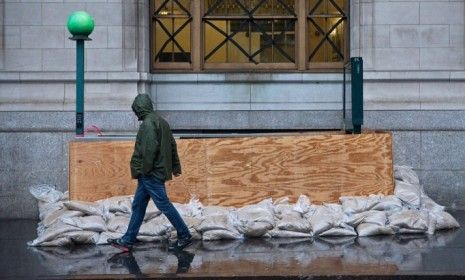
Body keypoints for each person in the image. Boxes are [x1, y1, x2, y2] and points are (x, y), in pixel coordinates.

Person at [108, 94, 192, 252]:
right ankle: (128, 239)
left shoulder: (148, 124)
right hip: (153, 172)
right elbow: (172, 146)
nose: (136, 114)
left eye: (136, 110)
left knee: (163, 205)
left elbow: (149, 150)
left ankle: (184, 234)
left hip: (150, 173)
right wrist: (175, 166)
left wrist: (144, 170)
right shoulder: (162, 122)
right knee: (138, 206)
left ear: (140, 108)